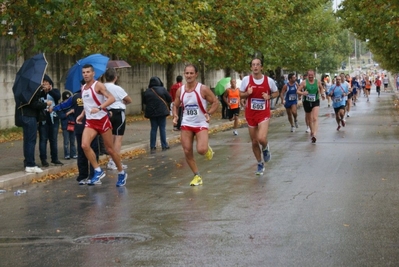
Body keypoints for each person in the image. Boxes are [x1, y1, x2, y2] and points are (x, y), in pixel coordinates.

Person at [76, 64, 127, 187]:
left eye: (88, 72)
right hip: (90, 121)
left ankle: (121, 172)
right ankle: (98, 170)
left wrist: (99, 108)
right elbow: (87, 104)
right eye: (84, 72)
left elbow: (111, 98)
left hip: (102, 120)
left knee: (110, 149)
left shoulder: (98, 85)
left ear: (93, 73)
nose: (86, 74)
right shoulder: (83, 88)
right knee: (84, 145)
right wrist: (82, 114)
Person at [172, 64, 219, 186]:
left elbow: (215, 102)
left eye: (191, 73)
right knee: (187, 150)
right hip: (186, 123)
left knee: (201, 150)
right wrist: (175, 116)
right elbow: (175, 105)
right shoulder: (180, 90)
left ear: (196, 74)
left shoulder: (202, 89)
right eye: (187, 73)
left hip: (201, 123)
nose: (189, 75)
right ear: (184, 74)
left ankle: (207, 149)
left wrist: (209, 113)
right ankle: (197, 176)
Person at [239, 57, 279, 175]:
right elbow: (240, 95)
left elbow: (276, 92)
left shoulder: (269, 80)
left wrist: (269, 97)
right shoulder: (246, 80)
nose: (255, 67)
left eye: (258, 65)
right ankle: (260, 163)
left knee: (261, 138)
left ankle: (266, 148)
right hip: (250, 114)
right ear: (251, 67)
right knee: (255, 142)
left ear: (261, 67)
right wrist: (247, 93)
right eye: (253, 65)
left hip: (263, 113)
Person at [103, 68, 132, 170]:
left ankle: (112, 160)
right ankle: (113, 162)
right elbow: (128, 99)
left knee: (109, 138)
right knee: (118, 138)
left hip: (106, 113)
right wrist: (124, 103)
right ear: (115, 77)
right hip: (118, 113)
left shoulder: (101, 87)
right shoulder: (117, 88)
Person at [19, 88, 53, 173]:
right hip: (30, 116)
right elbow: (34, 103)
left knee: (27, 141)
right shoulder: (31, 89)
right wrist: (46, 104)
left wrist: (41, 91)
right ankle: (30, 164)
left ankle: (28, 162)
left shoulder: (23, 88)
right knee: (31, 141)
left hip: (24, 115)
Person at [37, 75, 63, 167]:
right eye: (43, 83)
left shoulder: (54, 91)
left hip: (54, 119)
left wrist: (50, 90)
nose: (45, 84)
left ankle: (55, 159)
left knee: (53, 139)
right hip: (43, 119)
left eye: (47, 82)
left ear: (50, 83)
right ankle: (43, 159)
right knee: (43, 140)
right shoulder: (39, 93)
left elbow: (58, 97)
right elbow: (37, 100)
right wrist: (42, 90)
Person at [143, 76, 172, 153]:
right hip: (162, 112)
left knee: (153, 129)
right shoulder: (162, 89)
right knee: (162, 128)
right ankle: (164, 145)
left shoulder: (147, 91)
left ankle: (152, 146)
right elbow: (169, 98)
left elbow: (144, 102)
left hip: (152, 113)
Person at [297, 69, 325, 144]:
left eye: (312, 76)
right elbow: (298, 91)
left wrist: (322, 94)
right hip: (306, 102)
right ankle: (312, 132)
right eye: (309, 76)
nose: (310, 77)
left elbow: (321, 88)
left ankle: (314, 135)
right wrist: (303, 93)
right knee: (309, 120)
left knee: (315, 118)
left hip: (315, 101)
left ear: (314, 75)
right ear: (307, 76)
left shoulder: (317, 82)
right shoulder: (304, 82)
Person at [57, 91, 77, 160]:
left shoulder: (72, 105)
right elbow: (61, 116)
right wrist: (68, 113)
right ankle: (67, 154)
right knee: (66, 141)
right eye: (66, 99)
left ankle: (73, 154)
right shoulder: (61, 106)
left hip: (72, 124)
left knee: (73, 140)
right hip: (65, 126)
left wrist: (74, 112)